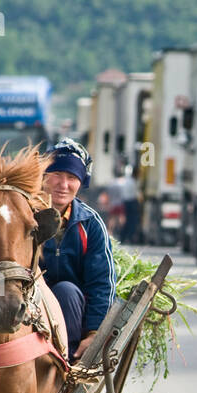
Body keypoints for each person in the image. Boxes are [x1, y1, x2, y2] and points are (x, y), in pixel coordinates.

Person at [41, 138, 117, 359]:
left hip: (73, 313)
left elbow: (101, 283)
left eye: (72, 177)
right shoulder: (25, 215)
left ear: (81, 183)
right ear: (44, 176)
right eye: (57, 174)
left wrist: (94, 333)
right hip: (30, 306)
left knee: (66, 291)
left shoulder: (90, 223)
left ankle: (65, 359)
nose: (63, 184)